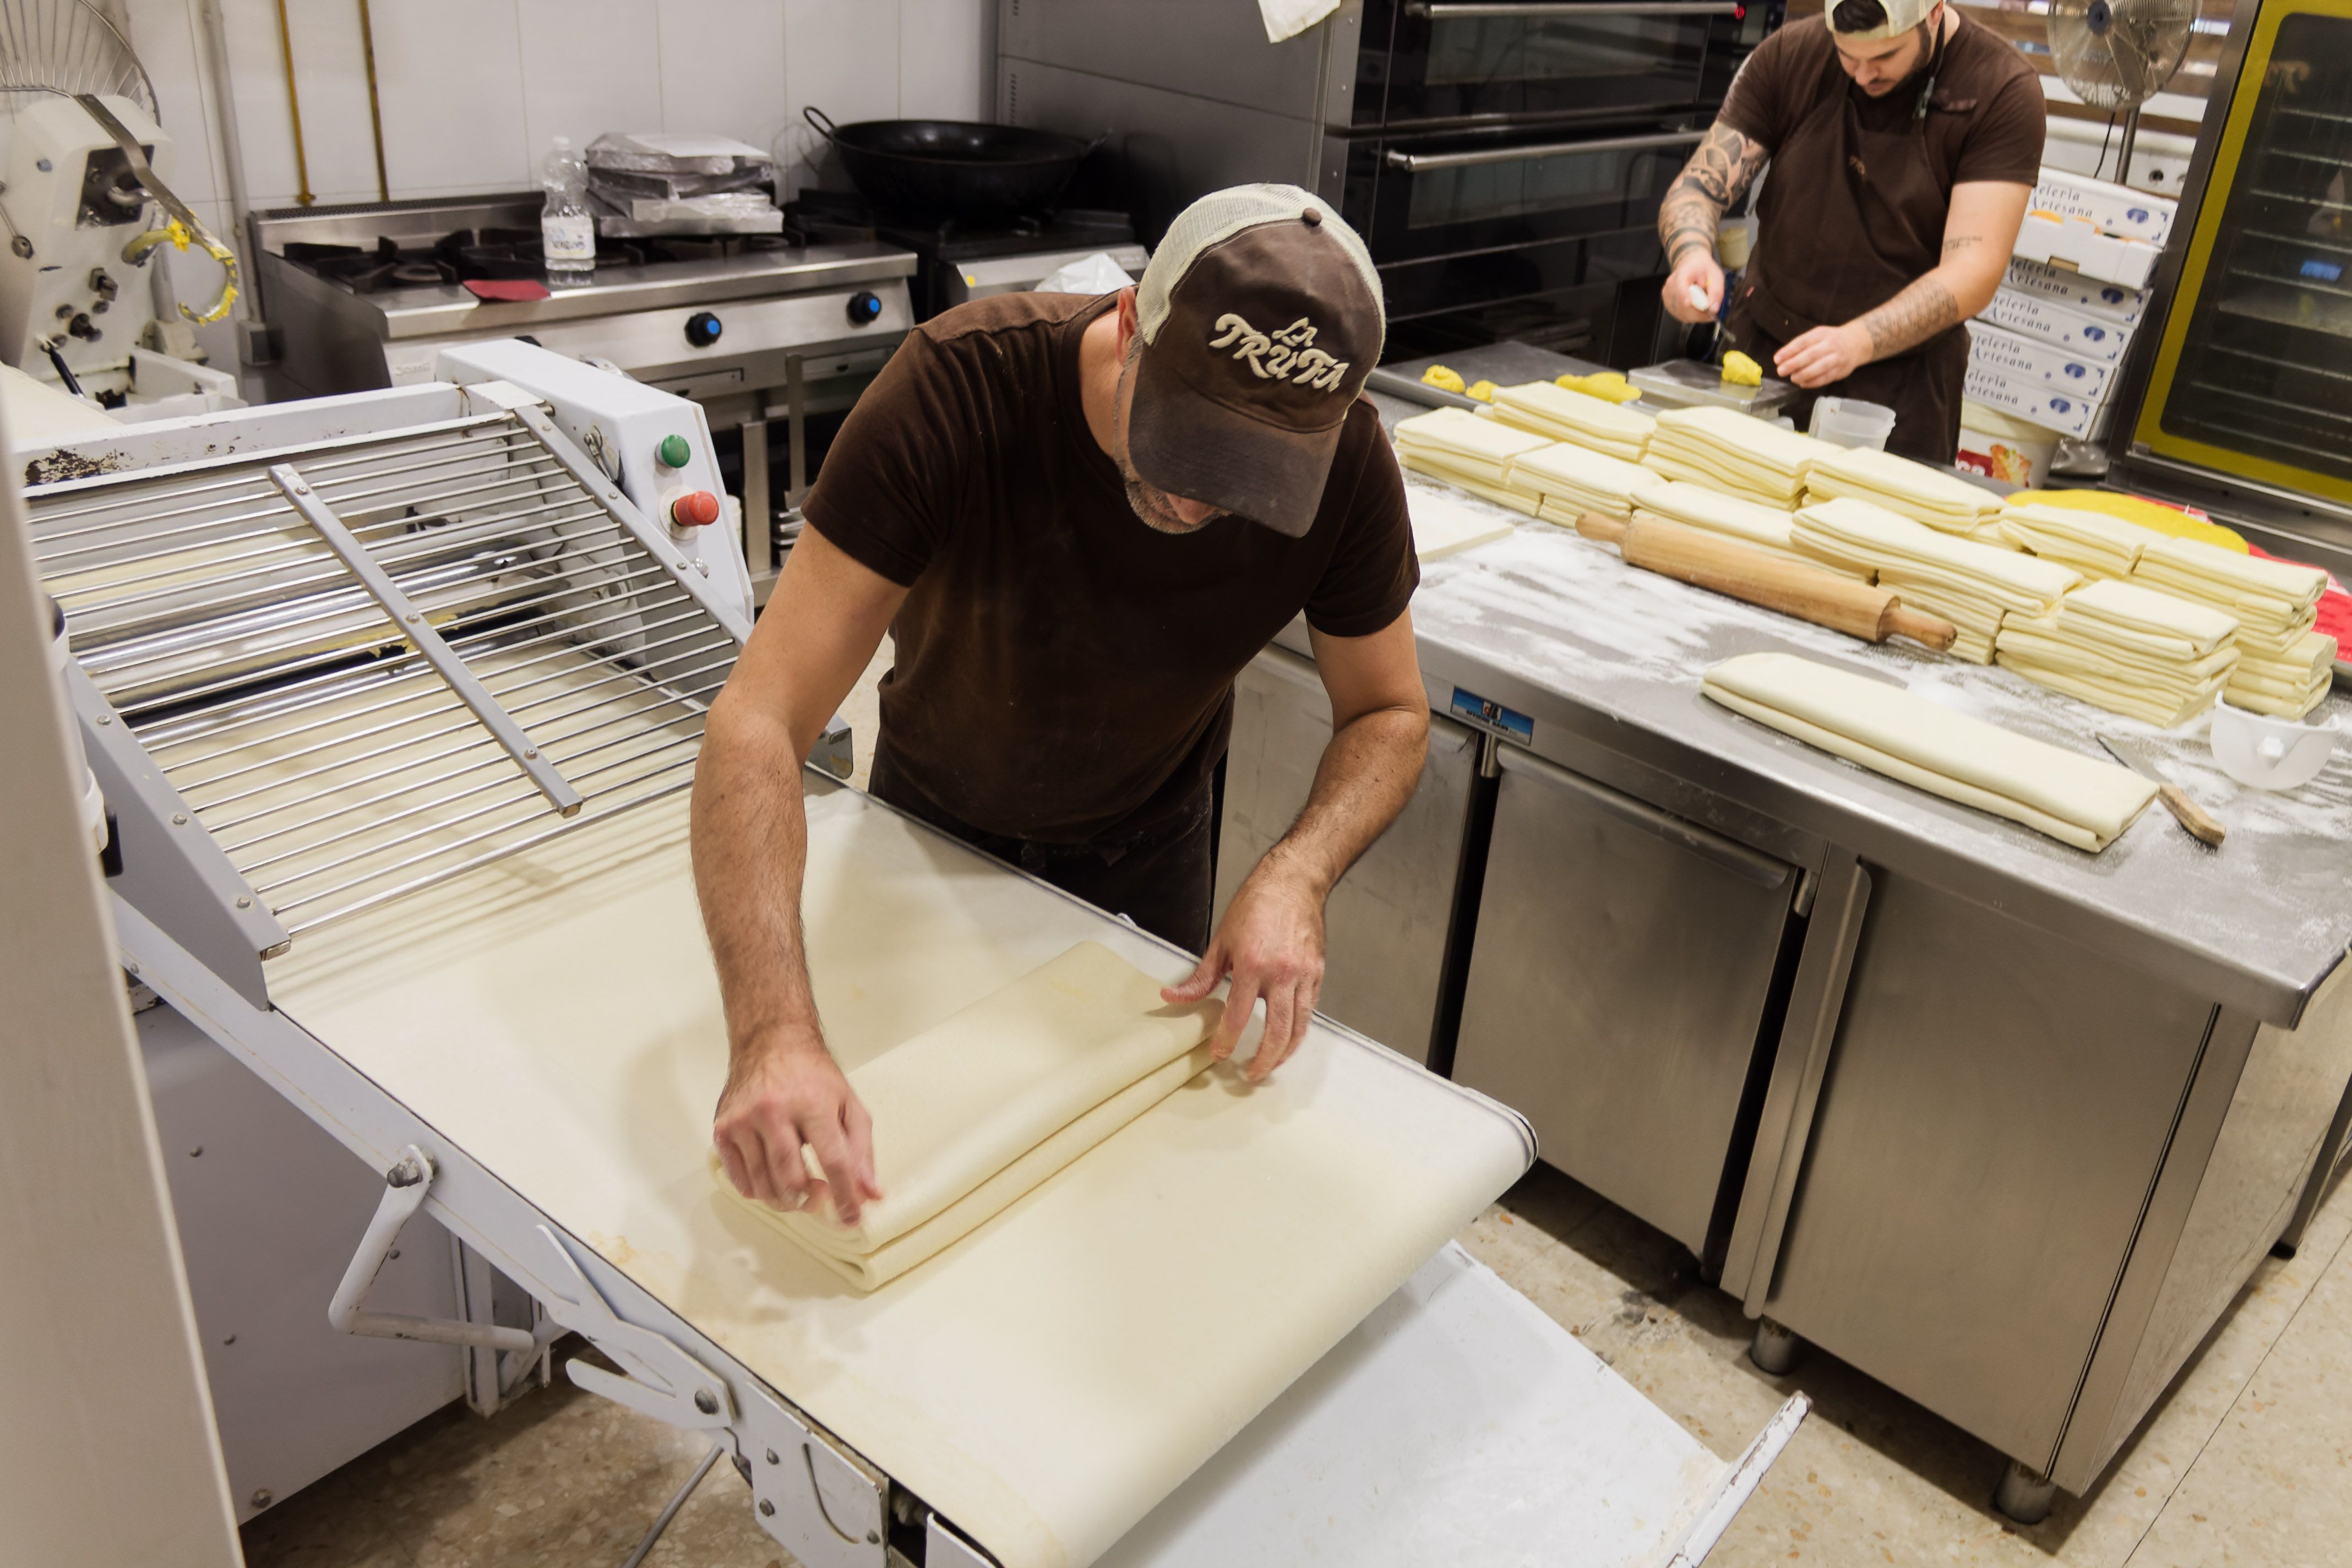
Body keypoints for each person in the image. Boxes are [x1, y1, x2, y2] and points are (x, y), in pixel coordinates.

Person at [694, 186, 1432, 1223]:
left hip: (1151, 852)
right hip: (930, 828)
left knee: (1115, 1193)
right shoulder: (959, 388)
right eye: (1184, 446)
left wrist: (1296, 873)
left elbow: (1389, 713)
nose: (1195, 500)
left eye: (1245, 478)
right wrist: (771, 1034)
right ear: (1129, 321)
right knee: (910, 1161)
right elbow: (759, 718)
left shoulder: (1348, 463)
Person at [1659, 0, 2045, 464]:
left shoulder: (2000, 89)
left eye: (1884, 58)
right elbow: (1699, 188)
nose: (1862, 75)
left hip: (1899, 393)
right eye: (1847, 56)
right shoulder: (1792, 54)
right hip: (1764, 357)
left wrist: (1857, 341)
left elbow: (1975, 270)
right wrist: (1691, 255)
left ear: (1936, 12)